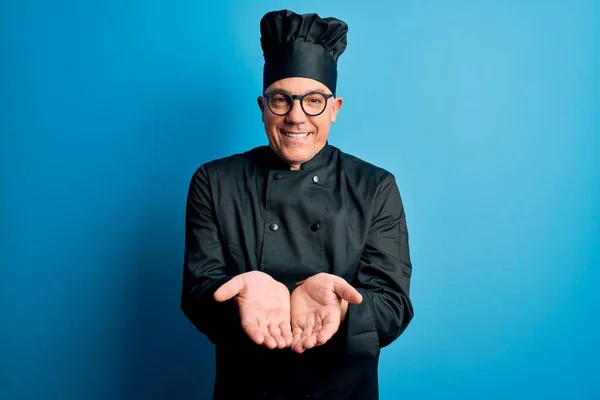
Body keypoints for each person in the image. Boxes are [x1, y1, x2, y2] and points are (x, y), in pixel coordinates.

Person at [181, 9, 414, 400]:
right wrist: (239, 298)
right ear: (262, 106)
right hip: (247, 390)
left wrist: (343, 311)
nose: (296, 116)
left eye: (313, 101)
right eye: (281, 100)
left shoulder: (375, 187)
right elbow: (198, 295)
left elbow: (393, 307)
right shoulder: (214, 181)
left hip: (344, 391)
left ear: (335, 108)